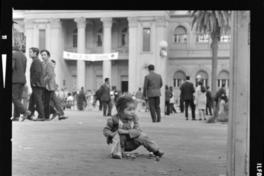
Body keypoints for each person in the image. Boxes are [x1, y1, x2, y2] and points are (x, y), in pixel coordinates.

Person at [12, 45, 31, 121]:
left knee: (14, 97)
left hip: (15, 80)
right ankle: (16, 116)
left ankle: (25, 111)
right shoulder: (24, 56)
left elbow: (11, 67)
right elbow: (24, 69)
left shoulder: (13, 55)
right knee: (18, 98)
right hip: (22, 80)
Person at [28, 47, 46, 121]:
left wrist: (33, 82)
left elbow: (38, 73)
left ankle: (42, 116)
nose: (29, 53)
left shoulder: (36, 61)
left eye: (30, 52)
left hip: (37, 84)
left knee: (38, 100)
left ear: (35, 53)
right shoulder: (35, 61)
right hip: (37, 84)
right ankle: (29, 114)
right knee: (32, 100)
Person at [41, 49, 56, 120]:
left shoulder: (49, 63)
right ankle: (50, 113)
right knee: (44, 101)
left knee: (46, 101)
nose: (43, 56)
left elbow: (50, 75)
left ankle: (46, 116)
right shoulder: (43, 63)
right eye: (42, 55)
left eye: (44, 55)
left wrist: (43, 81)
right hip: (44, 84)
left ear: (48, 56)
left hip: (48, 85)